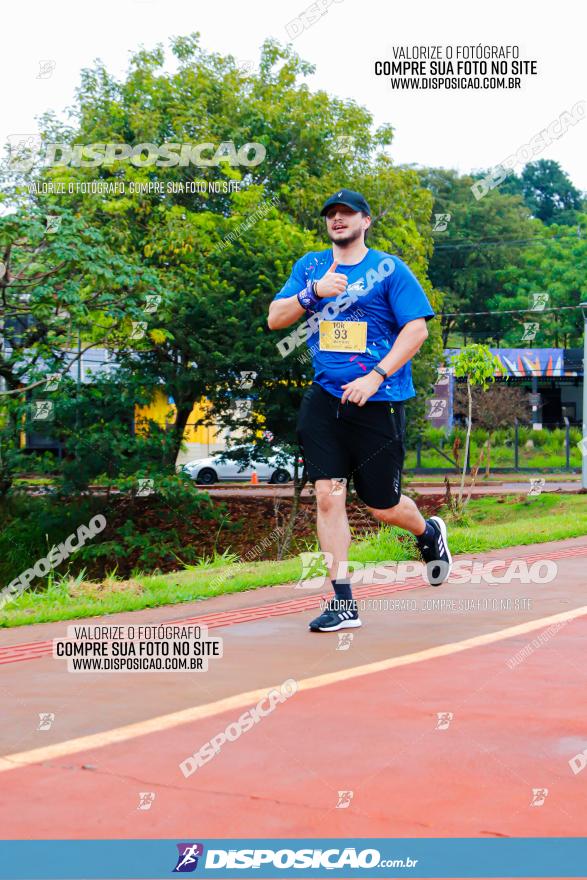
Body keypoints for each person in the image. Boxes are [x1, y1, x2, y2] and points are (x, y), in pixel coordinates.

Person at [267, 189, 452, 632]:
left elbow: (417, 330)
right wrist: (313, 293)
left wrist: (376, 376)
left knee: (382, 504)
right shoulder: (311, 267)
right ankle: (343, 603)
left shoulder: (389, 269)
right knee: (327, 495)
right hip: (325, 399)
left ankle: (428, 533)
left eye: (346, 213)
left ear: (365, 220)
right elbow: (275, 319)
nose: (337, 219)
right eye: (330, 213)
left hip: (378, 400)